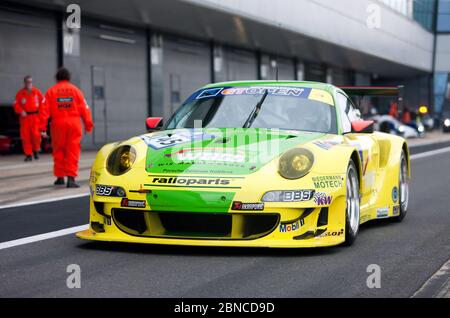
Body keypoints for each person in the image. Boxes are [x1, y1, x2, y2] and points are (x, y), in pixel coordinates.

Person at [40, 67, 94, 188]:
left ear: (57, 78)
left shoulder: (51, 91)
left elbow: (44, 110)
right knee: (73, 150)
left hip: (58, 124)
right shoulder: (76, 91)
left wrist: (42, 128)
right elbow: (85, 108)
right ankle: (71, 179)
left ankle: (60, 178)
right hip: (74, 123)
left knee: (58, 149)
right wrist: (88, 125)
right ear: (69, 77)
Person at [13, 75, 45, 161]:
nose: (29, 84)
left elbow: (43, 104)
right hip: (25, 118)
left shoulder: (37, 92)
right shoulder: (20, 93)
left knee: (36, 136)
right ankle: (28, 154)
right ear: (24, 83)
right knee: (25, 137)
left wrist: (42, 117)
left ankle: (36, 150)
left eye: (30, 82)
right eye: (27, 82)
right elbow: (16, 105)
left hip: (35, 117)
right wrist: (20, 111)